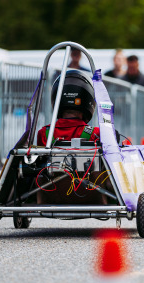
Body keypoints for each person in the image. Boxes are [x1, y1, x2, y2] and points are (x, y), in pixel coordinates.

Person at [36, 69, 107, 205]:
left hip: (50, 195)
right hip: (89, 195)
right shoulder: (95, 133)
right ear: (89, 101)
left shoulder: (44, 133)